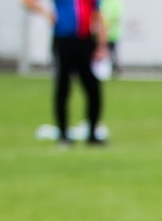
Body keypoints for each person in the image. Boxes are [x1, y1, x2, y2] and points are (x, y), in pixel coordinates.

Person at [23, 0, 107, 147]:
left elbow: (98, 15)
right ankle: (63, 135)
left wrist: (101, 45)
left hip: (85, 41)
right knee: (63, 87)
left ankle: (92, 134)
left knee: (93, 89)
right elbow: (27, 2)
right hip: (64, 41)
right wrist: (46, 12)